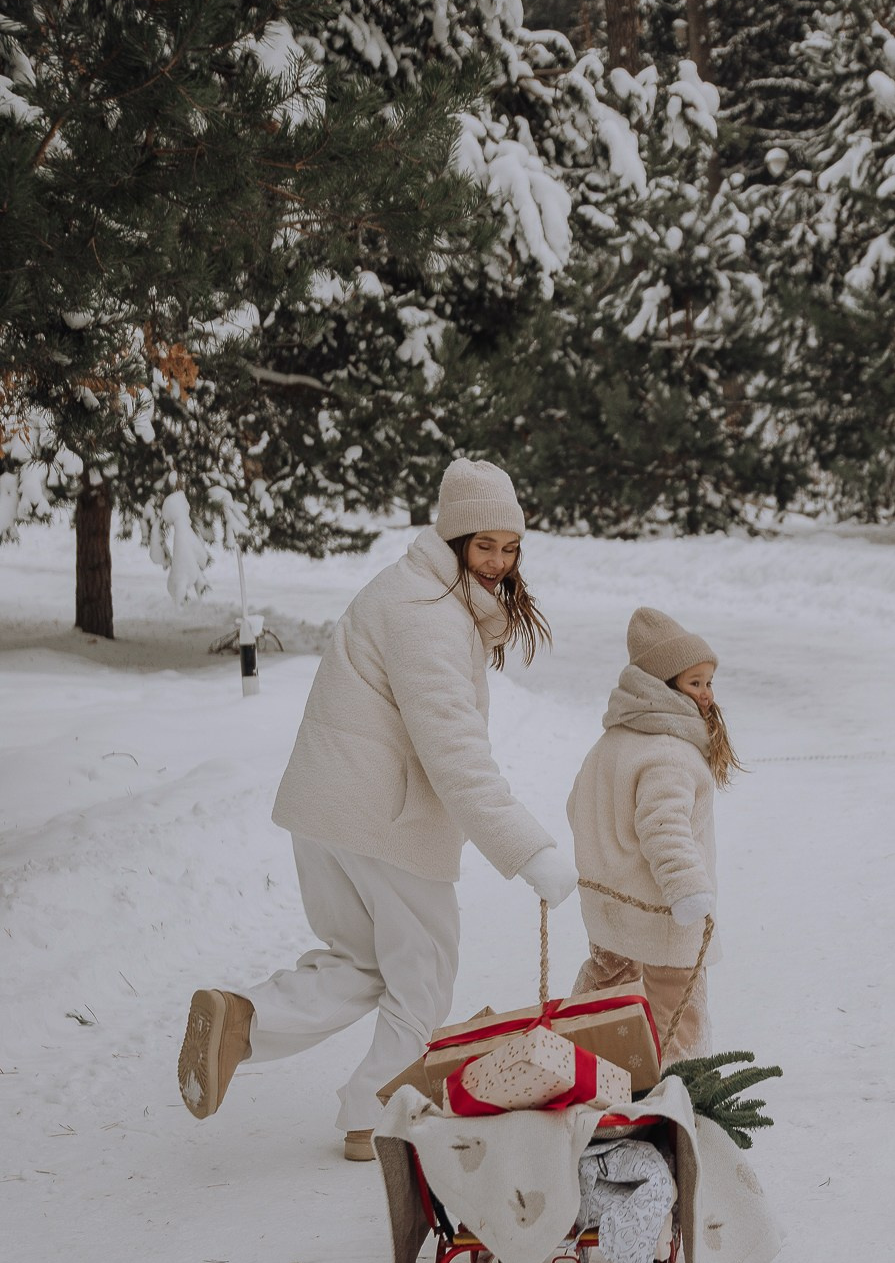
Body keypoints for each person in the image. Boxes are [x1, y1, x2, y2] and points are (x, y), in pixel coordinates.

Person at [177, 459, 577, 1159]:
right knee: (422, 975)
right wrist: (528, 850)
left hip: (328, 811)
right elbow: (454, 753)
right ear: (453, 540)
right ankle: (375, 1115)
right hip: (385, 821)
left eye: (510, 547)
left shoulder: (413, 594)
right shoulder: (427, 616)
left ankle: (245, 1019)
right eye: (484, 546)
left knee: (361, 963)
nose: (499, 562)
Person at [566, 606, 741, 1067]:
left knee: (602, 1000)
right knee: (678, 1015)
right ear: (662, 686)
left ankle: (578, 1071)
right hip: (665, 913)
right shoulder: (668, 751)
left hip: (611, 907)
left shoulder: (613, 741)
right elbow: (664, 828)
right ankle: (683, 1093)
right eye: (695, 683)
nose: (707, 695)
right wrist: (688, 889)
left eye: (708, 682)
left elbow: (576, 808)